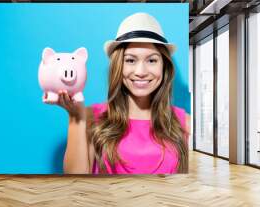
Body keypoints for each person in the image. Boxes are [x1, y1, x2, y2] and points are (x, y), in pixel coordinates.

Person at [46, 12, 190, 174]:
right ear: (118, 66)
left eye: (151, 60)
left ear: (164, 67)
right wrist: (76, 117)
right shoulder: (91, 117)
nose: (140, 72)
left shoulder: (186, 123)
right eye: (130, 60)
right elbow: (76, 183)